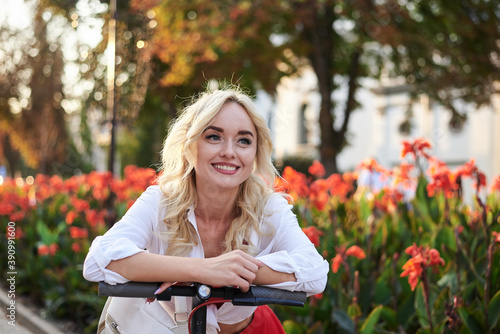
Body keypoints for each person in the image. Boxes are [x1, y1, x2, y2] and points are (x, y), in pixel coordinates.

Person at [83, 86, 329, 334]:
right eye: (214, 137)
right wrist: (203, 270)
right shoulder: (161, 199)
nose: (229, 152)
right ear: (191, 145)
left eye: (244, 140)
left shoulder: (269, 206)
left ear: (255, 152)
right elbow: (98, 261)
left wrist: (233, 269)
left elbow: (315, 273)